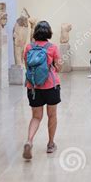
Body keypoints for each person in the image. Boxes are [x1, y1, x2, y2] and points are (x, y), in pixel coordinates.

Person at [23, 21, 61, 160]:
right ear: (49, 33)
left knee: (36, 117)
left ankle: (29, 141)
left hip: (33, 87)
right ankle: (50, 144)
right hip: (51, 85)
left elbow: (27, 66)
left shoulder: (28, 47)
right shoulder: (52, 48)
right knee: (52, 115)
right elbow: (58, 67)